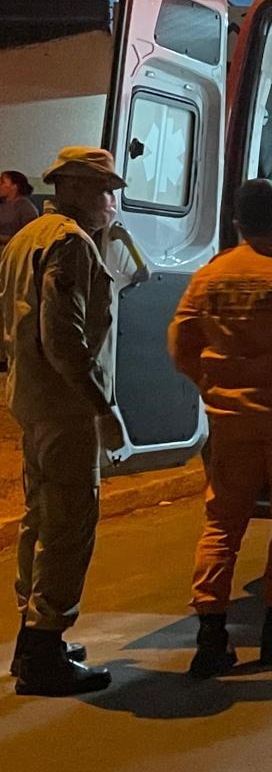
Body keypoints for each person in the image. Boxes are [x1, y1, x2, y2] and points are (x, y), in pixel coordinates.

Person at [168, 179, 272, 678]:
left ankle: (211, 638)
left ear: (237, 224)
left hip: (230, 420)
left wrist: (212, 384)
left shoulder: (209, 276)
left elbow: (180, 344)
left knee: (222, 523)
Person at [0, 147, 126, 696]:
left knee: (39, 518)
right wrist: (103, 406)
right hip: (65, 405)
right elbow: (64, 339)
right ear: (72, 187)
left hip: (30, 399)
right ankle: (46, 650)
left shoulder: (26, 236)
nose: (110, 203)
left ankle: (31, 640)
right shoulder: (70, 243)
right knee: (69, 525)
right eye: (104, 191)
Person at [0, 170, 40, 248]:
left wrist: (3, 238)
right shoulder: (2, 204)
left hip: (12, 248)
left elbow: (29, 237)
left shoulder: (26, 208)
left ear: (14, 186)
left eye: (2, 182)